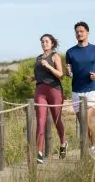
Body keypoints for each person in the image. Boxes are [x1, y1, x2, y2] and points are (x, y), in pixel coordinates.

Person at [65, 21, 95, 157]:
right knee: (83, 122)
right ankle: (90, 146)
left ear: (87, 33)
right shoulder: (70, 52)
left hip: (92, 89)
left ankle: (92, 148)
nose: (79, 34)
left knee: (86, 118)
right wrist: (69, 73)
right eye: (77, 32)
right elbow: (71, 72)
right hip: (76, 90)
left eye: (81, 31)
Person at [31, 33, 68, 164]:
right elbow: (39, 74)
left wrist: (48, 66)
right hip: (40, 90)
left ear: (52, 43)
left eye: (46, 41)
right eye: (42, 41)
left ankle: (63, 143)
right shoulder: (38, 58)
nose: (44, 43)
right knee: (40, 121)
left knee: (56, 119)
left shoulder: (55, 56)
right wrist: (33, 78)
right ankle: (39, 153)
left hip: (54, 90)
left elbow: (61, 75)